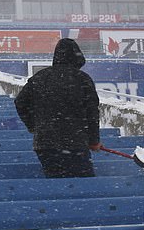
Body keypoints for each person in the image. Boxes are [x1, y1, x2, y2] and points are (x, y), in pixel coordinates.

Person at [14, 38, 101, 178]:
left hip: (45, 144)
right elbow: (92, 113)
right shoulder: (83, 79)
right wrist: (94, 141)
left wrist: (33, 126)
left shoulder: (40, 77)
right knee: (84, 184)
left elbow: (20, 102)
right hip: (76, 142)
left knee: (56, 182)